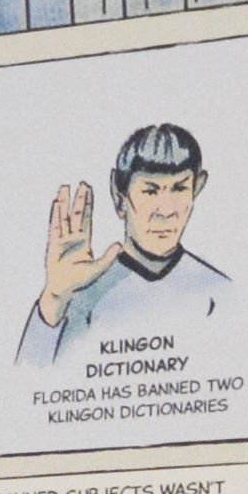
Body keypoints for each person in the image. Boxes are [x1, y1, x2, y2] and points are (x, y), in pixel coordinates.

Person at [19, 123, 229, 365]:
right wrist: (54, 298)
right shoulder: (83, 296)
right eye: (150, 191)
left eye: (179, 188)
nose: (166, 211)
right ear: (120, 199)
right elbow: (28, 384)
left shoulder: (219, 292)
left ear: (196, 189)